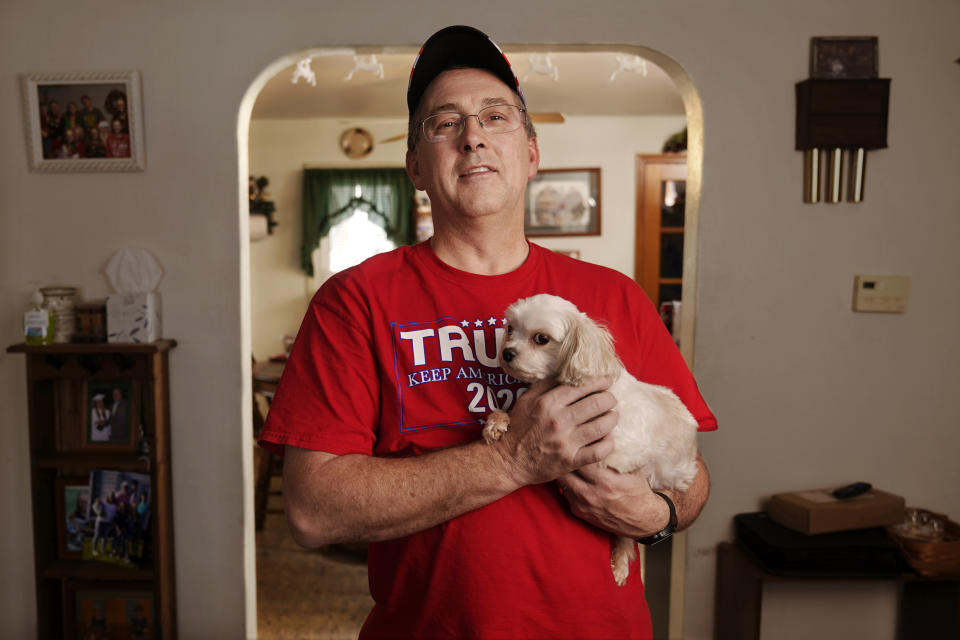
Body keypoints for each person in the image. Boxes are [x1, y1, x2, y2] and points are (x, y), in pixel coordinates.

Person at [258, 25, 717, 640]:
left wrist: (655, 516)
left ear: (531, 153)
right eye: (444, 123)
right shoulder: (354, 301)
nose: (472, 134)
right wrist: (513, 459)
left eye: (495, 116)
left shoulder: (613, 298)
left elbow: (693, 477)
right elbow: (312, 512)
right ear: (416, 167)